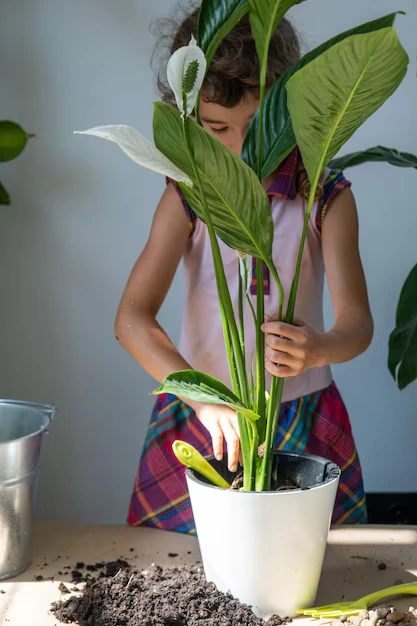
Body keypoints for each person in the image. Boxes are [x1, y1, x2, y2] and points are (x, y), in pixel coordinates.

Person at [116, 6, 374, 533]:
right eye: (216, 128)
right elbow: (132, 320)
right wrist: (202, 400)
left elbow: (358, 325)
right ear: (187, 117)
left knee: (310, 579)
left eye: (258, 127)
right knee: (177, 576)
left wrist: (319, 347)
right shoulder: (186, 197)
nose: (239, 149)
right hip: (204, 420)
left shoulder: (325, 199)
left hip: (300, 416)